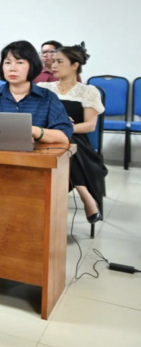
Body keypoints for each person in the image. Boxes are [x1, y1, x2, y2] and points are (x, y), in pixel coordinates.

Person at [39, 43, 107, 222]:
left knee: (67, 147)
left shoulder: (88, 91)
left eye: (59, 61)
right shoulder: (45, 88)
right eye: (53, 61)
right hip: (47, 138)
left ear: (75, 65)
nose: (53, 65)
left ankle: (85, 197)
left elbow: (90, 125)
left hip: (77, 140)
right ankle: (87, 197)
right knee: (64, 146)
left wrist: (65, 129)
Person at [0, 40, 72, 144]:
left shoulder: (48, 98)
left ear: (32, 65)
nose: (12, 68)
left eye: (19, 63)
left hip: (37, 153)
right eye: (8, 63)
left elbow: (64, 137)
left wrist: (34, 131)